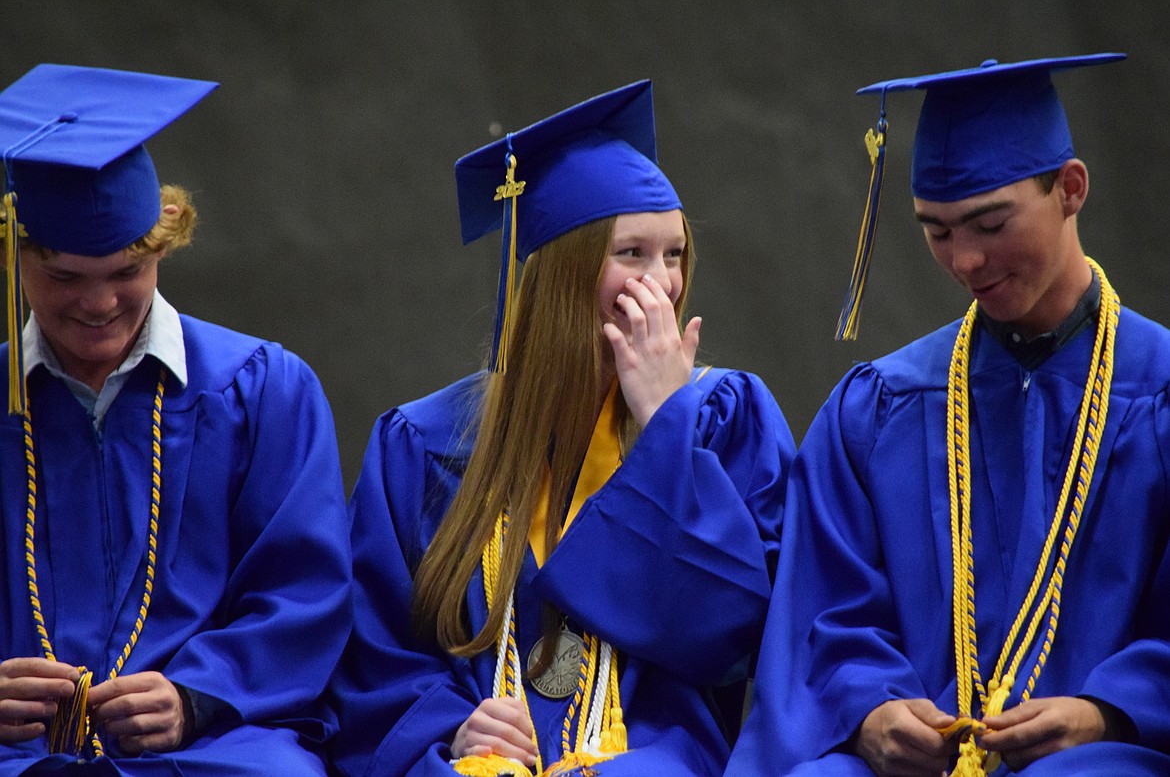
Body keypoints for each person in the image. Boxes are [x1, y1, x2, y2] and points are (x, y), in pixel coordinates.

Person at [327, 80, 795, 776]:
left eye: (674, 254)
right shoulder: (424, 443)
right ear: (562, 275)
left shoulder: (724, 419)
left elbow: (734, 637)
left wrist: (668, 423)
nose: (661, 283)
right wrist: (453, 728)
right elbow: (375, 658)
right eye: (631, 252)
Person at [726, 53, 1170, 777]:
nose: (964, 260)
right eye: (936, 231)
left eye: (989, 224)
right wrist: (871, 713)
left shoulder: (1156, 396)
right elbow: (824, 616)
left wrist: (1107, 714)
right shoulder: (881, 408)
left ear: (1070, 189)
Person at [0, 64, 351, 775]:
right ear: (16, 256)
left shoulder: (262, 390)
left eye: (127, 270)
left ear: (163, 244)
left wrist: (198, 695)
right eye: (66, 277)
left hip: (213, 744)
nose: (99, 304)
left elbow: (304, 589)